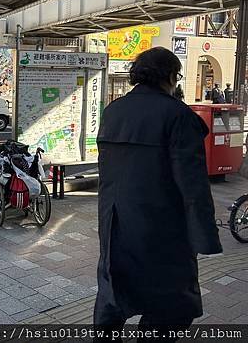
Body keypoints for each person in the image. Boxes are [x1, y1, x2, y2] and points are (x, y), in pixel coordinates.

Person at [94, 47, 222, 342]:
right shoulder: (177, 116)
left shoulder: (114, 111)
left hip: (114, 225)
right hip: (162, 229)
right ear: (169, 76)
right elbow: (193, 186)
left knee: (114, 295)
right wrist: (205, 237)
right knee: (173, 307)